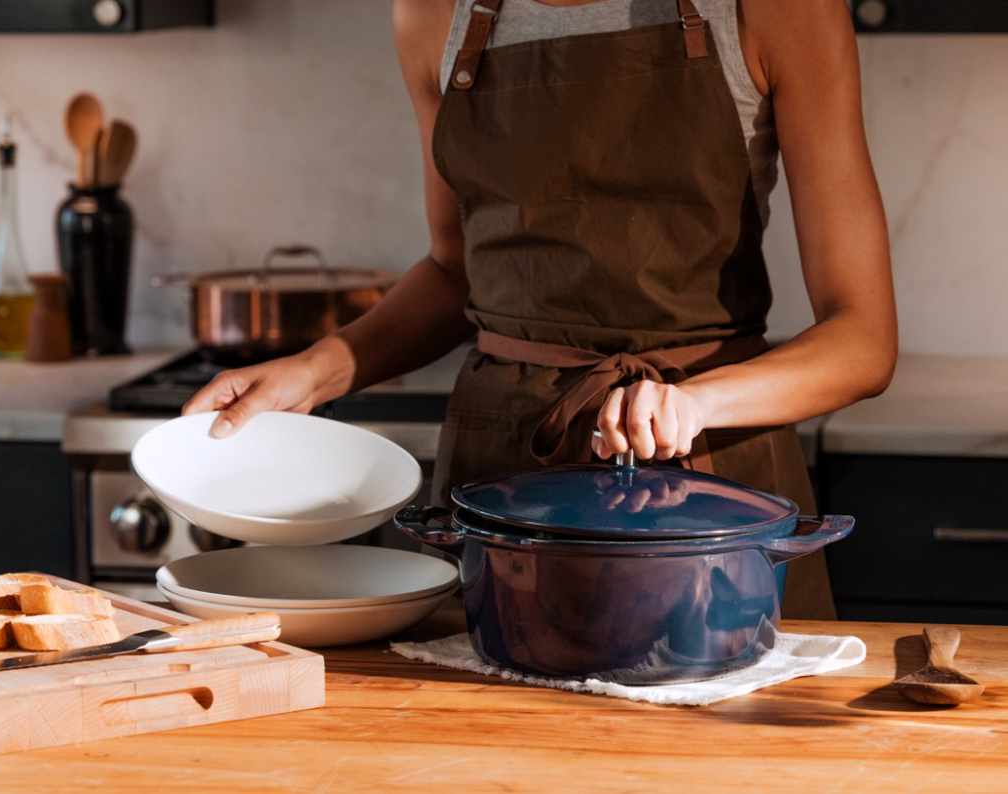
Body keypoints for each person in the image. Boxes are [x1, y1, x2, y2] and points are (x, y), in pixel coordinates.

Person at [184, 0, 897, 620]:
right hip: (500, 482)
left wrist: (696, 403)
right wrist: (312, 373)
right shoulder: (435, 15)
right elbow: (453, 269)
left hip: (712, 486)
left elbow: (862, 340)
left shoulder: (773, 9)